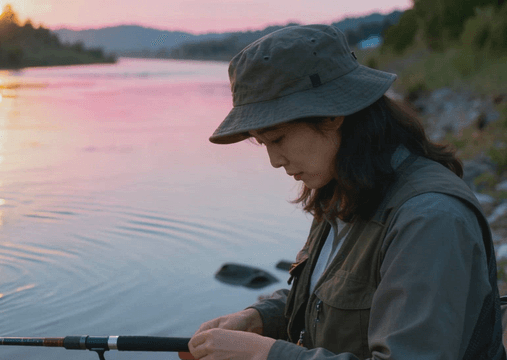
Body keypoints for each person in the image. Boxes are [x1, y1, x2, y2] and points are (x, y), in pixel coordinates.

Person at [187, 24, 505, 360]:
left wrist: (264, 355)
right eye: (263, 143)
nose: (274, 161)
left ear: (332, 114)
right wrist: (259, 319)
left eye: (277, 139)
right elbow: (331, 299)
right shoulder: (343, 189)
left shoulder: (430, 219)